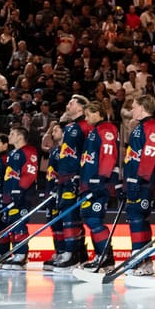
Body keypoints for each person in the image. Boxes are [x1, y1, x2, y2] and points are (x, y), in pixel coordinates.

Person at [121, 93, 155, 276]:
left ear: (142, 107)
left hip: (144, 182)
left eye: (134, 105)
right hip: (134, 180)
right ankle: (143, 259)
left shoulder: (153, 126)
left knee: (138, 216)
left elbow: (152, 155)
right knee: (135, 217)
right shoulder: (140, 127)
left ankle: (139, 259)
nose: (131, 109)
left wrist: (139, 180)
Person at [46, 94, 90, 269]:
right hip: (63, 178)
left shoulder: (85, 126)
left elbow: (88, 153)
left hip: (75, 177)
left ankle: (73, 253)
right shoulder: (71, 126)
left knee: (71, 216)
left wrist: (79, 176)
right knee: (65, 215)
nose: (68, 104)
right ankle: (73, 252)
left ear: (80, 107)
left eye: (71, 102)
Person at [77, 101, 121, 271]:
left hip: (99, 183)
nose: (86, 118)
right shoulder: (95, 131)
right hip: (90, 183)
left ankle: (105, 257)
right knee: (89, 217)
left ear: (98, 113)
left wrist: (100, 178)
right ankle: (100, 256)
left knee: (94, 219)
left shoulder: (106, 129)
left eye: (88, 114)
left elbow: (109, 155)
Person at [0, 126, 39, 270]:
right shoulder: (12, 153)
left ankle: (22, 254)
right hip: (11, 195)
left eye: (12, 133)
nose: (9, 135)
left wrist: (19, 190)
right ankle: (15, 252)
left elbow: (30, 173)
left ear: (20, 137)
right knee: (12, 224)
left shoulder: (29, 151)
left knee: (19, 224)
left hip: (23, 195)